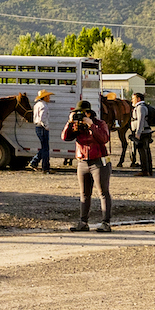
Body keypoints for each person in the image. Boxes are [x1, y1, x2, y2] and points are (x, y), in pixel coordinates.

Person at [62, 98, 112, 230]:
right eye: (78, 113)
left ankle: (106, 223)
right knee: (84, 193)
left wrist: (91, 125)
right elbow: (65, 137)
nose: (81, 116)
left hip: (99, 162)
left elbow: (104, 139)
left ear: (89, 113)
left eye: (82, 113)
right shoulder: (77, 126)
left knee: (103, 192)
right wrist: (69, 122)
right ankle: (83, 222)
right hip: (82, 162)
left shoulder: (100, 124)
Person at [128, 90, 155, 176]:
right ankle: (148, 170)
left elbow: (141, 121)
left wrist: (138, 133)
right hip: (143, 132)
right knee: (145, 151)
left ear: (138, 99)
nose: (132, 101)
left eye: (133, 99)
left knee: (143, 152)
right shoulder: (140, 107)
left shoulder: (140, 107)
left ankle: (145, 171)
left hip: (143, 133)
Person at [30, 90, 55, 173]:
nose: (49, 98)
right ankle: (45, 167)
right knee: (45, 148)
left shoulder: (37, 105)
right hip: (42, 127)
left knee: (44, 147)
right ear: (44, 97)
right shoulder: (44, 106)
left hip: (37, 126)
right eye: (48, 96)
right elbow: (42, 118)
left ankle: (34, 162)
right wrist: (46, 126)